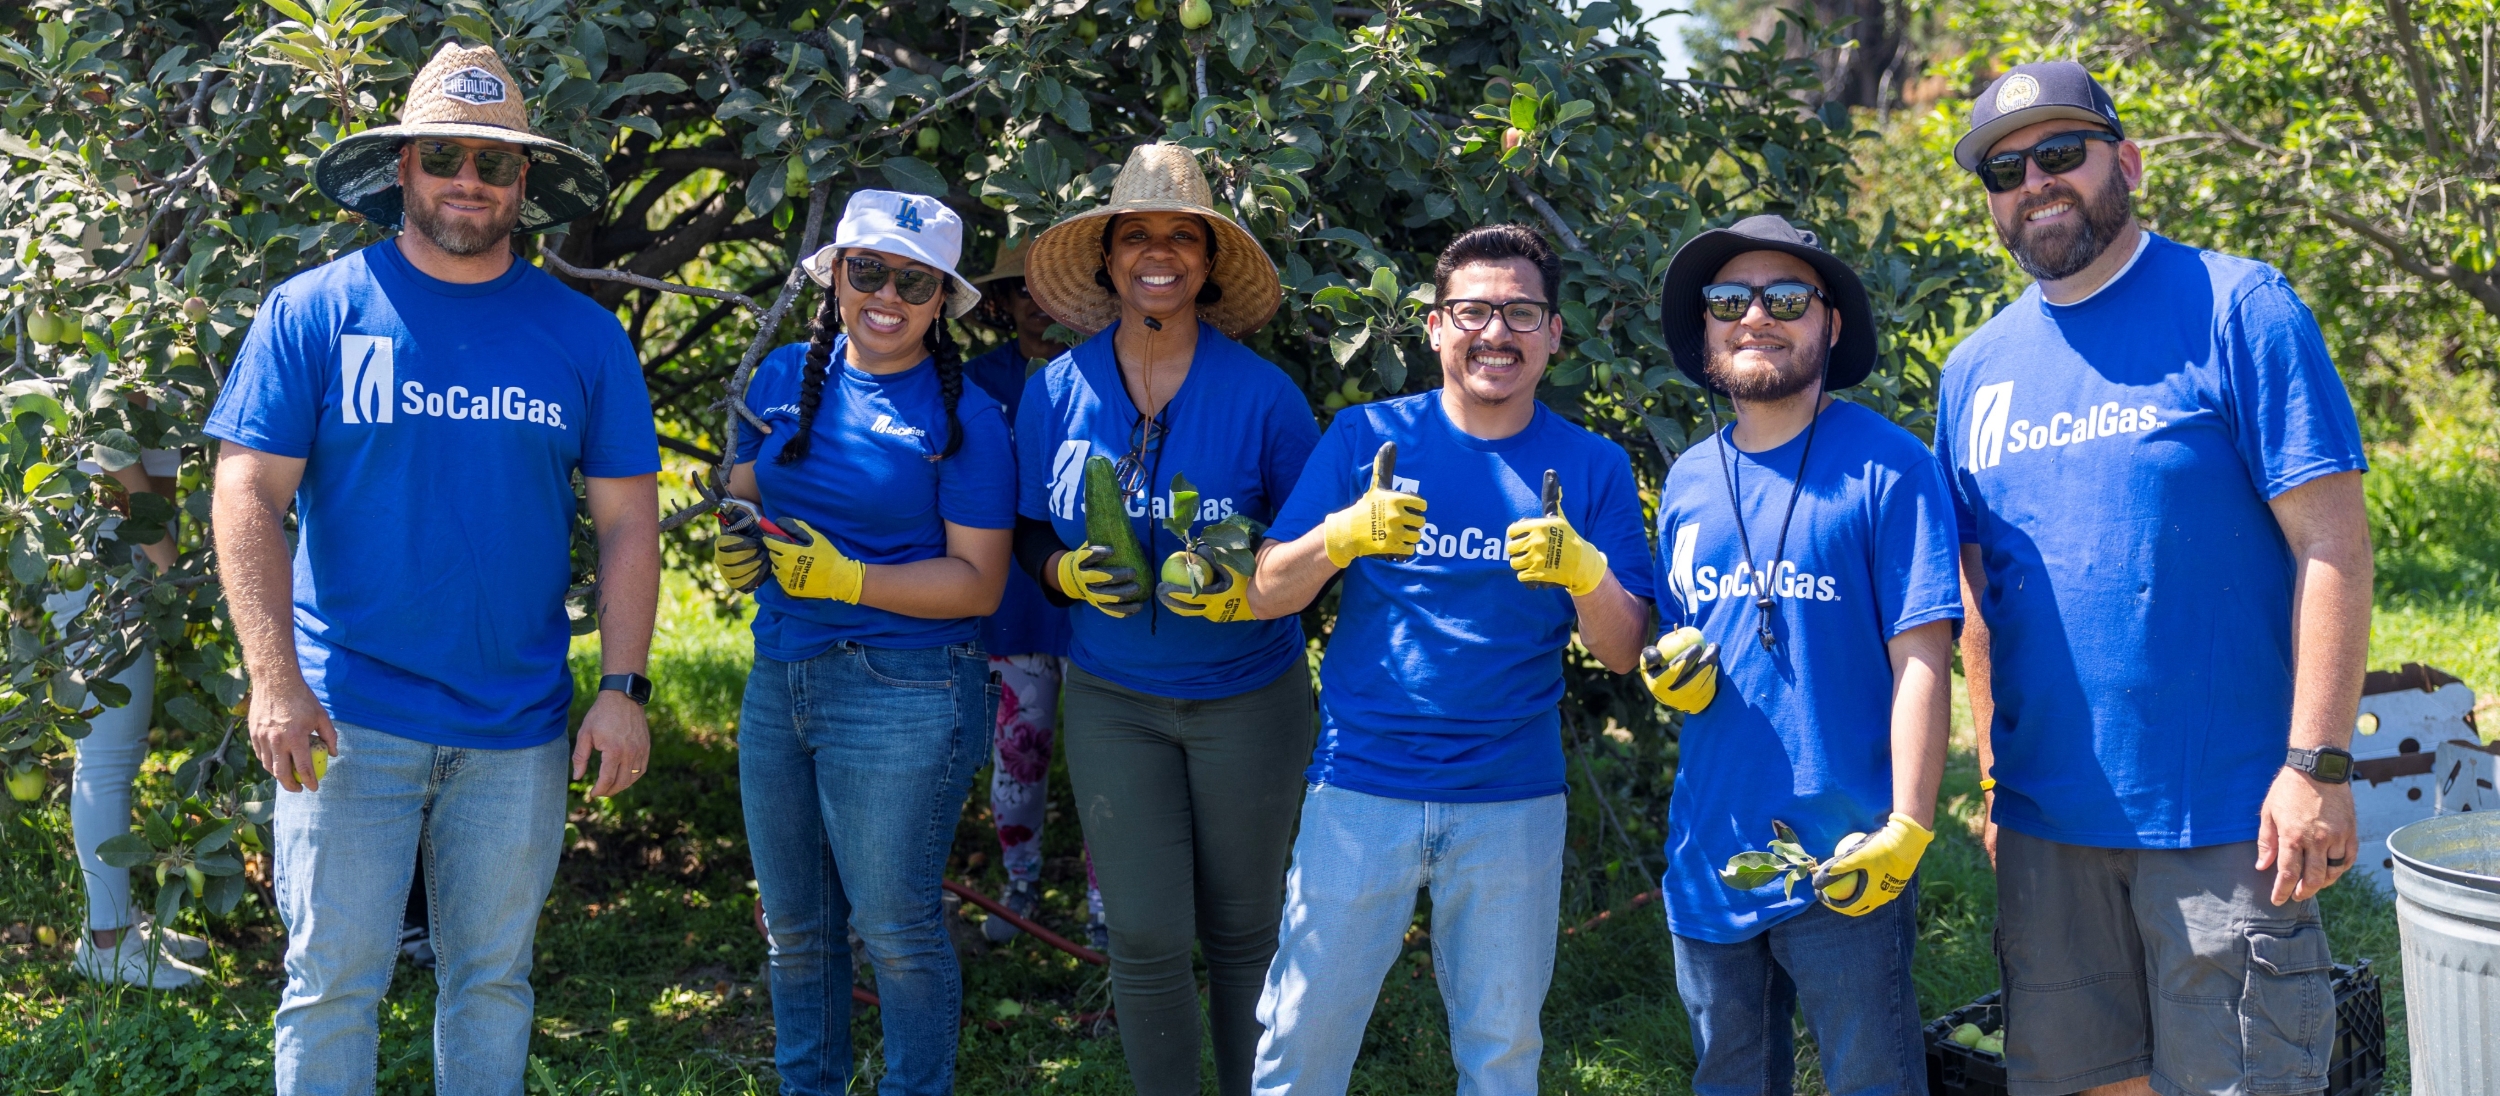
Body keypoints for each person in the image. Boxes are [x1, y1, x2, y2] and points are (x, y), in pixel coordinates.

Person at [208, 43, 661, 1095]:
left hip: (517, 728)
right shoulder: (316, 309)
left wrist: (624, 689)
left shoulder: (582, 338)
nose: (469, 179)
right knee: (330, 981)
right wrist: (274, 679)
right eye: (446, 155)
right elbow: (246, 494)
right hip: (347, 715)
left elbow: (631, 525)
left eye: (494, 164)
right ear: (402, 167)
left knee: (493, 980)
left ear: (524, 186)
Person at [1930, 61, 2372, 1096]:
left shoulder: (2240, 306)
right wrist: (1995, 785)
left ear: (2124, 160)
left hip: (2228, 816)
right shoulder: (1973, 372)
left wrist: (2317, 765)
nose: (2033, 181)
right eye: (2004, 168)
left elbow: (2334, 548)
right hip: (2048, 829)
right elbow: (1979, 602)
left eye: (2059, 153)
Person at [1245, 223, 1656, 1094]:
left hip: (1512, 798)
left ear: (1553, 334)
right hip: (1360, 786)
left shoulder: (1593, 466)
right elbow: (1268, 590)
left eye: (1520, 312)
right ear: (1433, 327)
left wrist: (1584, 571)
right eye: (1472, 310)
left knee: (1502, 1052)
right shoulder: (1366, 437)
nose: (1495, 332)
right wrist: (1341, 534)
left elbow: (1623, 651)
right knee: (1301, 1034)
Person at [1012, 142, 1318, 1096]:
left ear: (1209, 261)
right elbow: (1025, 533)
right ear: (1107, 257)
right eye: (1136, 234)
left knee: (1243, 930)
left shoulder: (1266, 398)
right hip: (1114, 699)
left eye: (1182, 235)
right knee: (1143, 933)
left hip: (1248, 698)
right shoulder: (1057, 390)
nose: (1159, 252)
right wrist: (1065, 569)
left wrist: (1242, 584)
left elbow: (1315, 558)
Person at [708, 189, 1015, 1096]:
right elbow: (746, 488)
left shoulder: (965, 421)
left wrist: (852, 580)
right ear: (835, 275)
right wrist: (738, 536)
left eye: (913, 282)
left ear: (940, 300)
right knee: (796, 927)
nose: (887, 295)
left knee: (896, 927)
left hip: (907, 688)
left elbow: (980, 582)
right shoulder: (779, 383)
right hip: (783, 675)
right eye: (868, 270)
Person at [1643, 215, 1959, 1094]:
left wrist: (1909, 828)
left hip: (1849, 855)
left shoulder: (1892, 467)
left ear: (1830, 323)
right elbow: (1683, 648)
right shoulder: (1688, 481)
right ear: (1704, 326)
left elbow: (1924, 663)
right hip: (1710, 855)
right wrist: (1667, 673)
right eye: (1728, 300)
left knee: (1874, 1082)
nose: (1755, 318)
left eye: (1785, 298)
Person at [961, 237, 1104, 948]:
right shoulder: (976, 382)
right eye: (1022, 291)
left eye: (1049, 292)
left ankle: (1107, 907)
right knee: (1019, 758)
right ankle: (1020, 887)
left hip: (1099, 606)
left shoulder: (1108, 377)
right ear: (1002, 302)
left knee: (1110, 763)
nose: (1036, 305)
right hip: (1013, 605)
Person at [58, 445, 208, 988]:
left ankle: (119, 919)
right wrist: (181, 578)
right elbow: (116, 467)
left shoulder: (156, 371)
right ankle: (107, 942)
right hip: (94, 566)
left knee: (122, 751)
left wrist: (163, 567)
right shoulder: (101, 374)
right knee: (106, 758)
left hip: (132, 565)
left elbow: (155, 491)